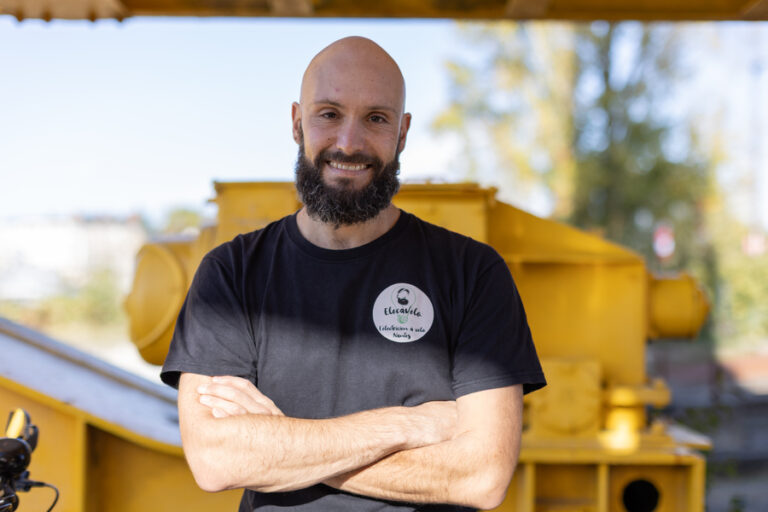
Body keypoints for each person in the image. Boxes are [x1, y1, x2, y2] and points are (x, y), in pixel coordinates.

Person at [161, 36, 546, 512]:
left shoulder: (473, 273)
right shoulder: (230, 275)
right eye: (329, 113)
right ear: (297, 123)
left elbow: (481, 477)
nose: (349, 142)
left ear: (402, 133)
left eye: (376, 119)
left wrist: (278, 445)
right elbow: (216, 459)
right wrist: (408, 426)